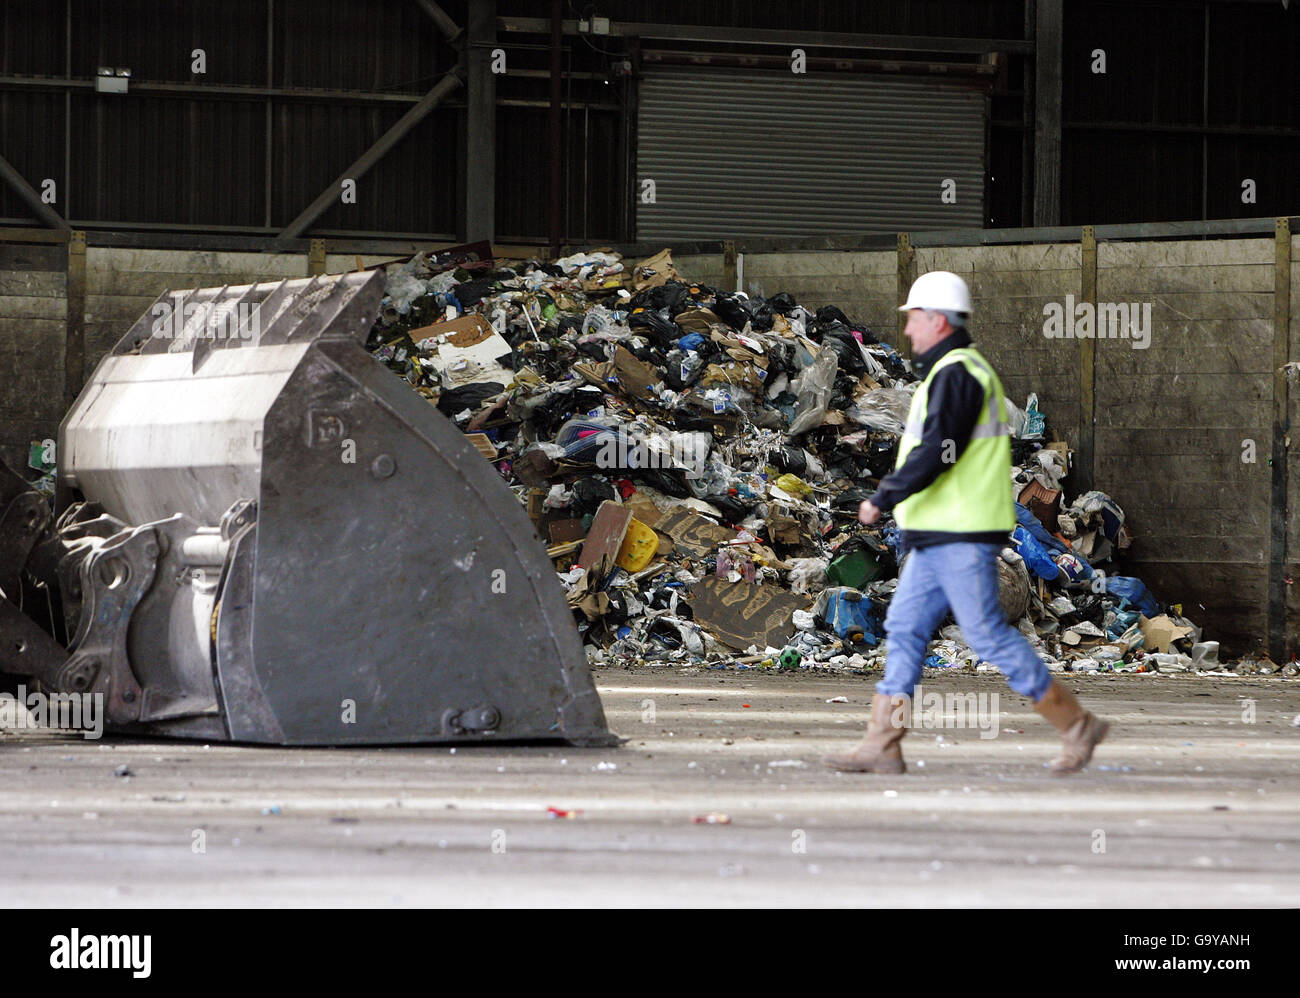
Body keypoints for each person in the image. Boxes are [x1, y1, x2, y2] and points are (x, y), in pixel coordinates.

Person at [822, 271, 1109, 776]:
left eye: (913, 319)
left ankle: (1076, 724)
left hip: (960, 534)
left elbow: (939, 452)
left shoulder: (959, 374)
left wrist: (885, 495)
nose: (908, 331)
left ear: (935, 319)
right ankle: (884, 742)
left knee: (986, 634)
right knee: (907, 629)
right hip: (937, 535)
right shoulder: (954, 373)